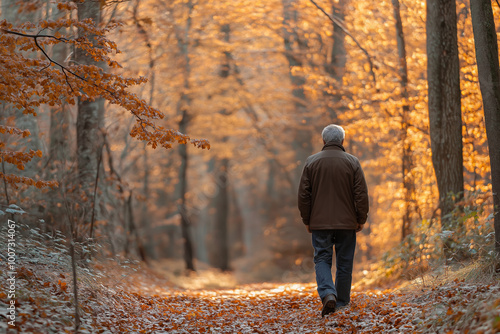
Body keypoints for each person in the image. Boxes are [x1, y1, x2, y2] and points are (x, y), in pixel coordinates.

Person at [298, 124, 369, 317]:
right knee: (345, 263)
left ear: (323, 141)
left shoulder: (311, 162)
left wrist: (307, 219)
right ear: (342, 141)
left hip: (320, 223)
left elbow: (304, 195)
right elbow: (361, 194)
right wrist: (360, 218)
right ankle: (342, 303)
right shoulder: (352, 162)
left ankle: (328, 293)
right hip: (347, 223)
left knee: (322, 258)